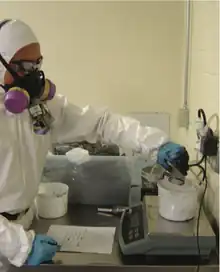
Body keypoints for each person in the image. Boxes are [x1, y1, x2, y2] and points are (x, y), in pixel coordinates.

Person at [0, 19, 189, 270]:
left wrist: (157, 144)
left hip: (27, 225)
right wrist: (20, 246)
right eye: (23, 67)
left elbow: (101, 122)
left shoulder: (38, 107)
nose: (34, 76)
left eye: (37, 64)